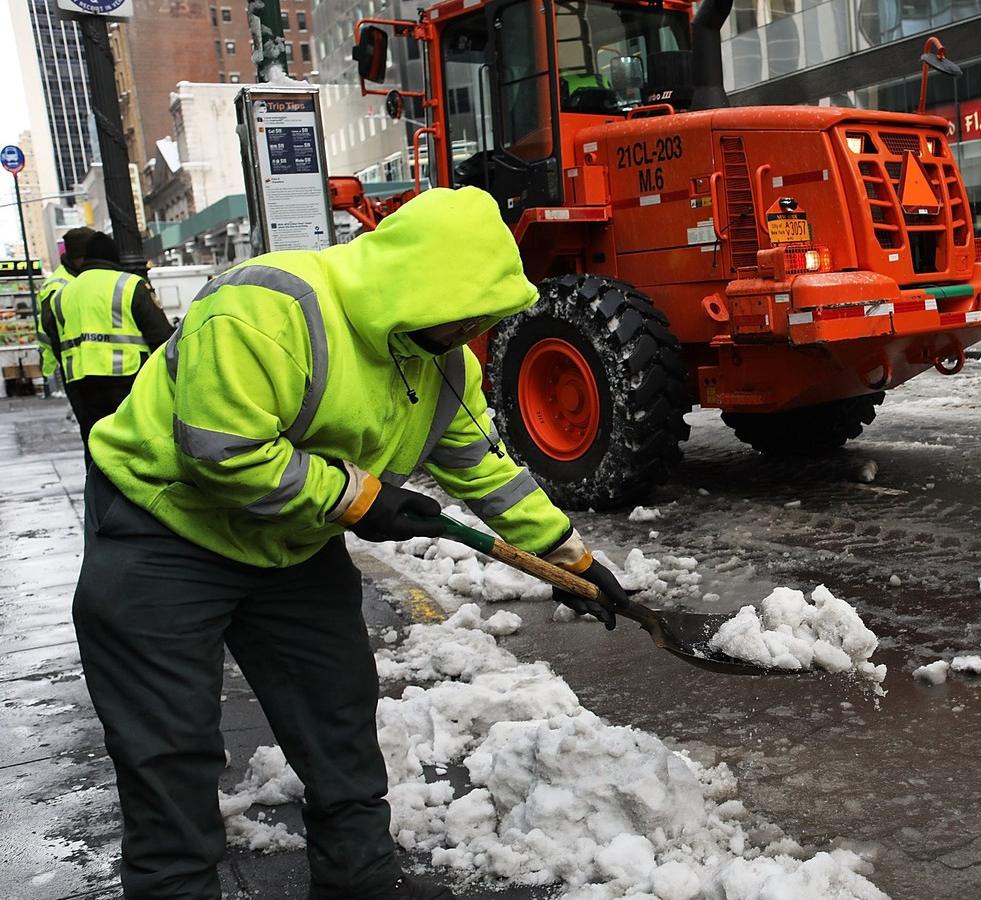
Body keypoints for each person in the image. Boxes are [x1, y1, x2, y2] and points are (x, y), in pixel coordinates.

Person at [73, 187, 631, 900]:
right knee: (168, 744)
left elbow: (485, 471)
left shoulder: (440, 363)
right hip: (164, 531)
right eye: (465, 312)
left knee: (337, 714)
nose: (472, 330)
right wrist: (361, 498)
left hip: (290, 547)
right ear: (414, 284)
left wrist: (572, 560)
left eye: (484, 317)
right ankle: (173, 887)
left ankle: (357, 879)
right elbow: (221, 451)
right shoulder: (266, 309)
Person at [41, 230, 173, 442]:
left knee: (96, 444)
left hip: (81, 383)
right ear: (114, 257)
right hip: (129, 379)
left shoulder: (61, 294)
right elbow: (161, 336)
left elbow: (54, 338)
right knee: (135, 442)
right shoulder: (129, 284)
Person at [34, 227, 98, 379]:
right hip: (76, 372)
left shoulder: (84, 277)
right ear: (80, 257)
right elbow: (50, 333)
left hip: (95, 367)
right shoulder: (57, 286)